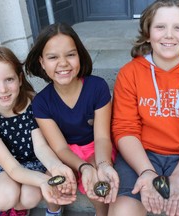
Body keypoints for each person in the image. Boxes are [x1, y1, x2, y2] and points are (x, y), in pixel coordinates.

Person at [109, 0, 179, 216]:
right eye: (160, 27)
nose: (169, 35)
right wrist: (146, 171)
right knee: (123, 211)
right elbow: (125, 128)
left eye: (178, 27)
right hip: (141, 154)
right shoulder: (130, 73)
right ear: (148, 33)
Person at [24, 23, 119, 216]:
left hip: (96, 148)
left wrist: (100, 165)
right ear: (42, 62)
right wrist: (81, 166)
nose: (63, 63)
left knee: (98, 180)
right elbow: (60, 148)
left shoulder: (97, 87)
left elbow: (102, 138)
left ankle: (102, 213)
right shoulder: (41, 102)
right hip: (65, 153)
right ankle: (54, 212)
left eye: (70, 54)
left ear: (80, 56)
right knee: (53, 180)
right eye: (53, 57)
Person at [0, 46, 77, 216]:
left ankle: (18, 210)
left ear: (19, 79)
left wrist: (55, 167)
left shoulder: (33, 103)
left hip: (34, 161)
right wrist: (45, 181)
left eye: (9, 79)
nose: (3, 89)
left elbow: (40, 147)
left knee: (29, 198)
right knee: (4, 198)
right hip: (6, 165)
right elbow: (12, 168)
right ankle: (2, 210)